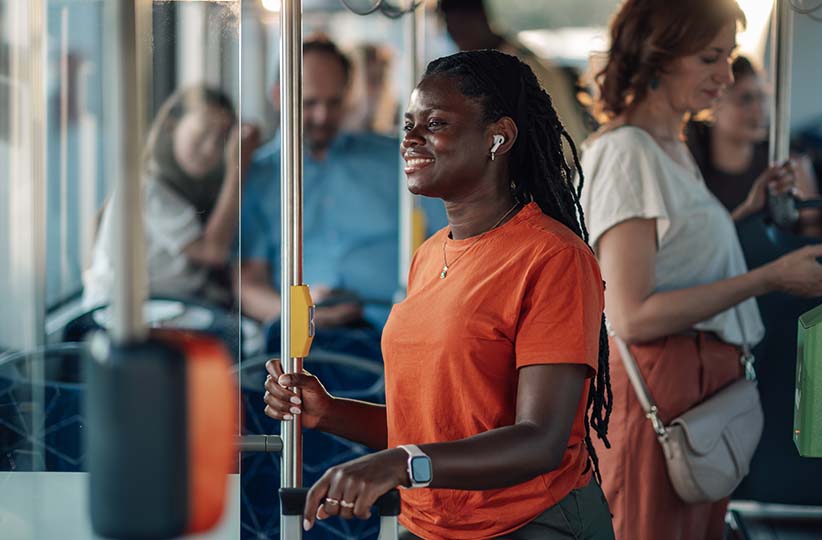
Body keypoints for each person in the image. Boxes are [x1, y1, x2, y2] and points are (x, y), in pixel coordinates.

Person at [263, 50, 615, 540]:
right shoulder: (429, 255)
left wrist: (400, 463)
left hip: (529, 522)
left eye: (434, 124)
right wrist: (330, 411)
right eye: (408, 124)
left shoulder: (552, 256)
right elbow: (432, 429)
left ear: (499, 137)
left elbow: (540, 441)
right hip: (429, 523)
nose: (410, 139)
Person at [579, 1, 822, 538]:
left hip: (693, 388)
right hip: (660, 389)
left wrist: (742, 214)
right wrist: (769, 278)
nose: (726, 77)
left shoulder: (669, 147)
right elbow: (632, 314)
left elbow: (673, 259)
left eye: (728, 58)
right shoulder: (628, 152)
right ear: (659, 58)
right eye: (710, 59)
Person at [240, 36, 403, 337]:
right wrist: (301, 314)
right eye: (309, 103)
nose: (322, 116)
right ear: (278, 96)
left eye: (334, 102)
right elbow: (248, 286)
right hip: (301, 339)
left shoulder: (396, 162)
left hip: (394, 331)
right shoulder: (257, 176)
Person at [83, 86, 258, 308]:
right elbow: (213, 252)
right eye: (201, 134)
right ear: (171, 126)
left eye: (221, 140)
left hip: (168, 303)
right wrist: (237, 168)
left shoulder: (189, 186)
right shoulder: (148, 189)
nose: (210, 149)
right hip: (123, 310)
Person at [685, 56, 822, 235]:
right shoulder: (688, 170)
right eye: (745, 99)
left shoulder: (790, 166)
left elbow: (814, 237)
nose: (759, 110)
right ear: (713, 104)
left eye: (762, 98)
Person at [437, 0, 594, 147]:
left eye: (460, 26)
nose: (456, 36)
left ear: (479, 18)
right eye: (450, 28)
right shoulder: (517, 56)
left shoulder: (512, 68)